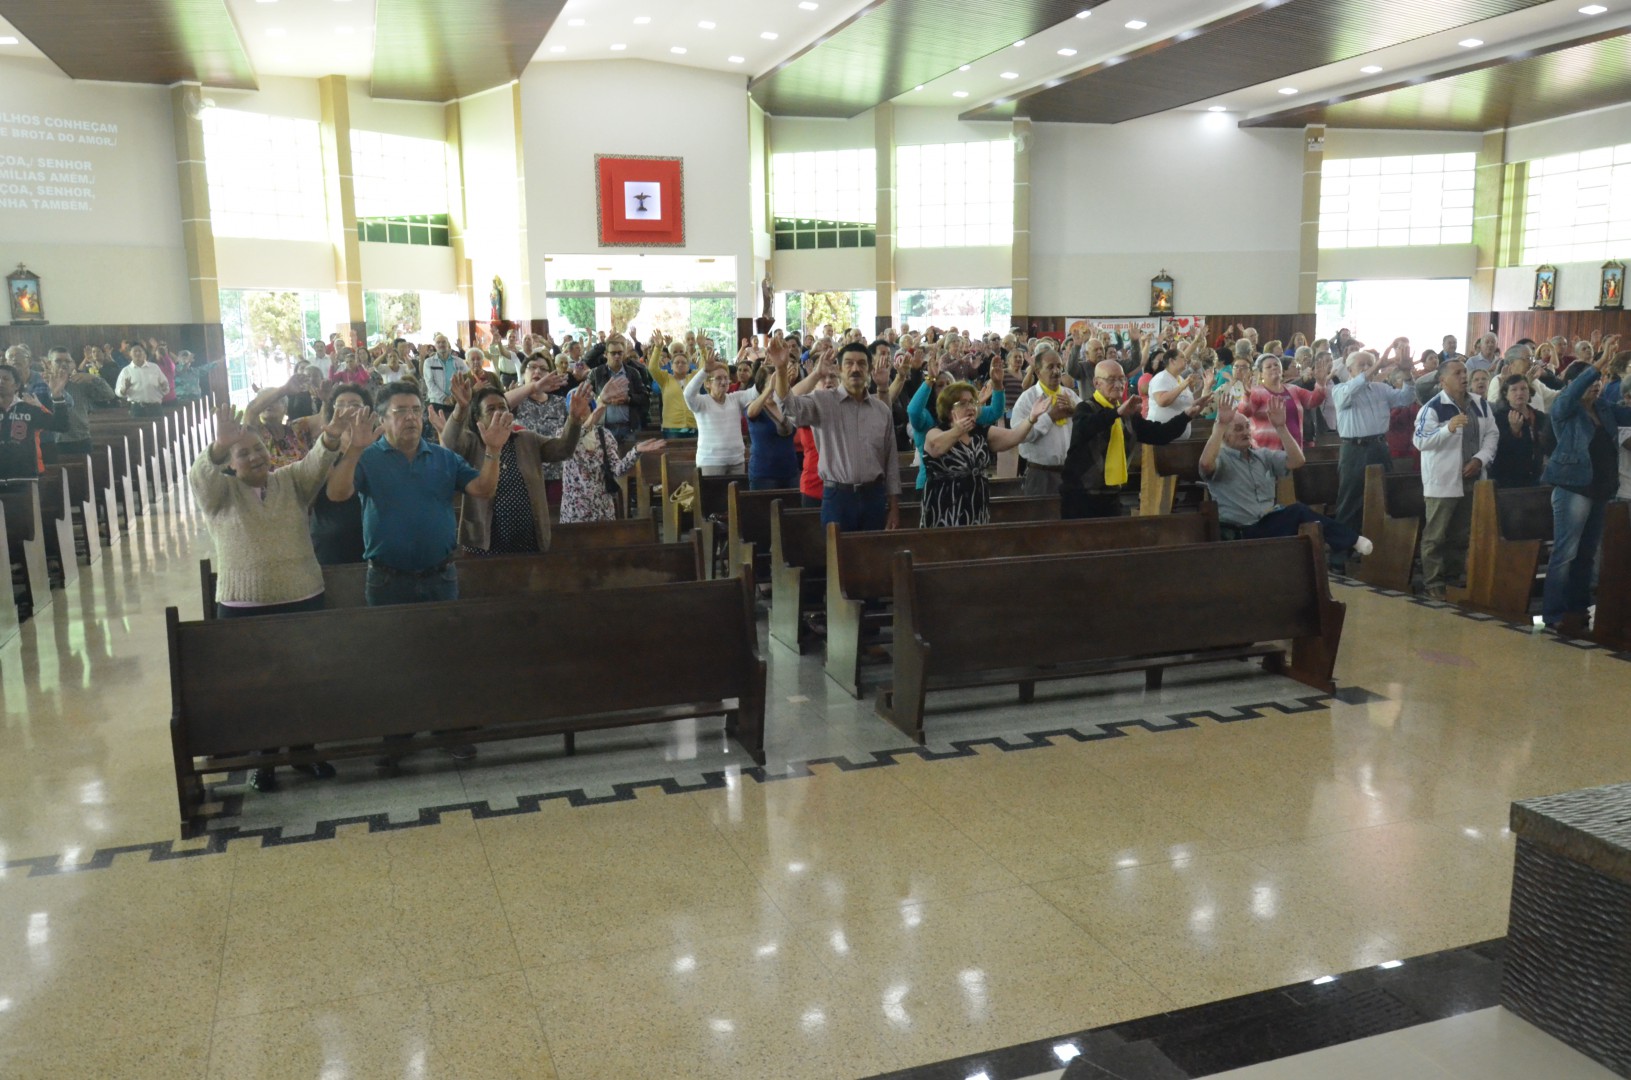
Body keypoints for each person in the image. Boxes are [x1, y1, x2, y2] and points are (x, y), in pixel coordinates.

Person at [190, 400, 353, 791]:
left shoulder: (290, 481)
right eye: (242, 453)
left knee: (303, 682)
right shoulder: (220, 493)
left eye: (258, 448)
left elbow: (316, 463)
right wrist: (217, 447)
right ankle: (263, 759)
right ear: (230, 464)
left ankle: (303, 751)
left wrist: (331, 434)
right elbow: (199, 478)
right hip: (243, 606)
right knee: (255, 688)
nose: (254, 457)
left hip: (301, 596)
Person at [1200, 397, 1371, 556]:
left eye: (1247, 427)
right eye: (1238, 429)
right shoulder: (1220, 459)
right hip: (1239, 530)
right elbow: (1205, 465)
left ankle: (1341, 550)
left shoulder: (1262, 456)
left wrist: (1281, 427)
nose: (1245, 432)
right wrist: (1220, 426)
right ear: (1225, 435)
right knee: (1298, 512)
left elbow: (1297, 460)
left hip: (1268, 524)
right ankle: (1351, 541)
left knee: (1301, 521)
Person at [440, 374, 587, 555]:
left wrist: (574, 419)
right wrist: (461, 408)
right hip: (483, 544)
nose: (499, 413)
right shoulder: (472, 442)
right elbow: (449, 443)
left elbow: (563, 449)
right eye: (491, 409)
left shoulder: (527, 439)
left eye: (503, 407)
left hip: (528, 540)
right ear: (478, 418)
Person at [1540, 353, 1631, 634]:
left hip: (1601, 488)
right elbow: (1573, 392)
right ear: (1574, 384)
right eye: (1590, 380)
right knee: (1565, 553)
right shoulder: (1565, 408)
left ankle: (1578, 608)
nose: (1596, 384)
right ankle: (1553, 612)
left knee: (1587, 554)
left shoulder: (1603, 408)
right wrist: (1599, 363)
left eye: (1599, 380)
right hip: (1573, 488)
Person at [776, 340, 902, 532]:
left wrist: (894, 507)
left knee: (873, 550)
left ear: (869, 370)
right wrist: (782, 369)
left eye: (861, 364)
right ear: (839, 370)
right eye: (849, 363)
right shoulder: (822, 401)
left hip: (873, 496)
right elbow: (787, 406)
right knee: (837, 550)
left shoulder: (881, 410)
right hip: (838, 496)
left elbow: (890, 460)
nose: (855, 369)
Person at [1060, 360, 1209, 520]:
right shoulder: (1085, 408)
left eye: (1122, 379)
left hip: (1111, 494)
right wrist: (1117, 412)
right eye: (1111, 380)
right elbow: (1088, 426)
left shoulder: (1128, 414)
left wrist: (1186, 415)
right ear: (1097, 383)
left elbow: (1160, 434)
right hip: (1079, 495)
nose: (1118, 385)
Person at [1413, 359, 1498, 599]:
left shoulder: (1480, 403)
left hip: (1473, 478)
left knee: (1461, 534)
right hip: (1443, 481)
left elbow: (1492, 434)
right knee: (1436, 536)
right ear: (1443, 381)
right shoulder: (1432, 407)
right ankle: (1433, 583)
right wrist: (1447, 429)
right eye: (1457, 373)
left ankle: (1452, 578)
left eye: (1464, 372)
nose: (1463, 376)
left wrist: (1480, 459)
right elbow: (1420, 441)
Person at [921, 381, 1048, 527]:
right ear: (949, 410)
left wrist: (1031, 418)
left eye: (972, 402)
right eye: (963, 403)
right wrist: (957, 430)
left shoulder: (981, 432)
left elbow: (1014, 436)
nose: (970, 407)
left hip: (976, 506)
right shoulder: (936, 431)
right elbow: (936, 447)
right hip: (943, 508)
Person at [1331, 348, 1419, 537]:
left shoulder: (1380, 388)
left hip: (1379, 447)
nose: (1366, 368)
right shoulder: (1340, 390)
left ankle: (1381, 543)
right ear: (1349, 369)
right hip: (1354, 449)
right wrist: (1378, 365)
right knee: (1350, 500)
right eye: (1361, 365)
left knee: (1385, 495)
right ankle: (1343, 549)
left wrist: (1407, 374)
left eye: (1369, 364)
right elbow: (1352, 388)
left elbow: (1406, 398)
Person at [560, 397, 664, 524]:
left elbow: (617, 470)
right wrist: (590, 422)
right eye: (576, 406)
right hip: (574, 511)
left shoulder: (604, 435)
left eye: (584, 405)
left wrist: (636, 451)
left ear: (591, 408)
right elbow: (572, 439)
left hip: (602, 509)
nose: (581, 410)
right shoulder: (562, 435)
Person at [308, 384, 375, 566]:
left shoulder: (379, 450)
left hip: (373, 546)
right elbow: (313, 497)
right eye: (341, 405)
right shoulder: (323, 452)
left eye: (355, 405)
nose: (348, 410)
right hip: (332, 549)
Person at [504, 354, 574, 507]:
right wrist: (531, 388)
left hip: (556, 474)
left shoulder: (560, 403)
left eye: (543, 369)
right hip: (524, 475)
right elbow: (501, 404)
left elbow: (575, 431)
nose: (537, 372)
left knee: (555, 517)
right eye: (532, 367)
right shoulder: (517, 402)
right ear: (523, 373)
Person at [1009, 348, 1079, 496]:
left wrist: (1076, 411)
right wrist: (1050, 417)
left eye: (1059, 366)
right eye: (1050, 367)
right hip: (1040, 474)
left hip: (1070, 472)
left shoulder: (1070, 395)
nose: (1056, 371)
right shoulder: (1027, 399)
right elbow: (1019, 435)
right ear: (1038, 372)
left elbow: (1086, 427)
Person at [1240, 352, 1326, 450]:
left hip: (1294, 448)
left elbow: (1313, 401)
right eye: (1268, 367)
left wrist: (1320, 384)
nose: (1274, 368)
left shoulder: (1293, 389)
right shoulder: (1256, 392)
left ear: (1281, 370)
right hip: (1267, 451)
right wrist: (1246, 395)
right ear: (1261, 374)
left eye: (1276, 365)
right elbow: (1245, 413)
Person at [684, 358, 756, 474]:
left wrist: (777, 369)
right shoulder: (701, 402)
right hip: (710, 463)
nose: (723, 382)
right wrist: (704, 371)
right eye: (718, 378)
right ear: (708, 383)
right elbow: (688, 394)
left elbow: (756, 392)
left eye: (726, 378)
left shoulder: (735, 398)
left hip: (736, 461)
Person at [0, 362, 70, 479]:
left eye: (5, 379)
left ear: (16, 385)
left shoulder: (29, 408)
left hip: (25, 476)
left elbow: (61, 425)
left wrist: (56, 394)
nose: (0, 381)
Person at [1488, 374, 1549, 490]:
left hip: (1536, 475)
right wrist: (1514, 432)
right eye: (1514, 389)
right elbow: (1497, 448)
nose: (1519, 393)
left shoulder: (1540, 417)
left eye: (1523, 389)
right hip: (1508, 479)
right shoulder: (1499, 417)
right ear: (1506, 394)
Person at [743, 367, 798, 490]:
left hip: (790, 471)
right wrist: (769, 390)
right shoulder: (754, 405)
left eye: (777, 383)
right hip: (764, 473)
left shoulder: (786, 406)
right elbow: (750, 413)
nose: (775, 387)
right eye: (770, 383)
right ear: (761, 386)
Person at [650, 350, 699, 438]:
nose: (680, 365)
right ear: (671, 366)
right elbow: (652, 368)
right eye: (677, 362)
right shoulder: (665, 379)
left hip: (693, 427)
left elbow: (705, 369)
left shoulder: (694, 378)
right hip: (671, 429)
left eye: (683, 362)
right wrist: (657, 348)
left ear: (688, 367)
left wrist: (703, 349)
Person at [114, 343, 168, 418]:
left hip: (155, 407)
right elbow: (118, 392)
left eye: (140, 351)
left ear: (144, 353)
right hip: (137, 409)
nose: (138, 353)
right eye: (135, 351)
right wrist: (125, 388)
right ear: (130, 354)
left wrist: (164, 387)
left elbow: (165, 387)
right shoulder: (126, 371)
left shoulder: (154, 367)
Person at [421, 333, 466, 417]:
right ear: (435, 346)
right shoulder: (429, 362)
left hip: (456, 401)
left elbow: (465, 378)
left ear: (448, 344)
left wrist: (454, 397)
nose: (441, 344)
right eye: (438, 342)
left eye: (443, 342)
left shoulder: (459, 361)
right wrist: (444, 398)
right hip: (437, 402)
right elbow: (430, 383)